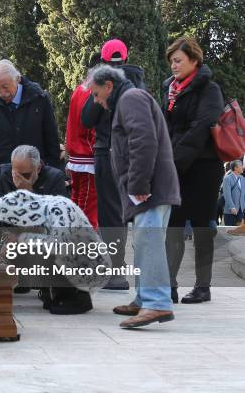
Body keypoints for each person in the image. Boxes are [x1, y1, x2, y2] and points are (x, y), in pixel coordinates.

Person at [87, 64, 181, 328]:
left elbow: (143, 140)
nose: (96, 100)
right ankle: (144, 298)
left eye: (96, 94)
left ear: (108, 86)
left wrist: (138, 184)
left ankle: (156, 303)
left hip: (149, 187)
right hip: (152, 186)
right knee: (144, 242)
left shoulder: (130, 99)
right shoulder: (130, 98)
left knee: (148, 243)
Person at [162, 37, 226, 305]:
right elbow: (164, 126)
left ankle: (203, 286)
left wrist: (174, 161)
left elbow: (201, 127)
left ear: (194, 60)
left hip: (203, 166)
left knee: (202, 227)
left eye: (178, 60)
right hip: (176, 165)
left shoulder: (209, 89)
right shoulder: (169, 89)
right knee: (173, 226)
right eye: (171, 61)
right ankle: (170, 285)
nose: (173, 65)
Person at [0, 59, 60, 239]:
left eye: (5, 87)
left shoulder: (38, 97)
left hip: (32, 171)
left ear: (17, 79)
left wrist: (52, 169)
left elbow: (51, 136)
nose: (2, 93)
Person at [81, 40, 146, 290]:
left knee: (110, 214)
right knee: (130, 212)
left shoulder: (103, 81)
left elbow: (87, 118)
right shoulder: (139, 81)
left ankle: (115, 272)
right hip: (133, 155)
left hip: (108, 153)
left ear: (103, 60)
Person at [0, 145, 67, 243]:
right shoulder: (3, 173)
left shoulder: (54, 178)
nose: (19, 180)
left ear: (38, 168)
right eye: (15, 174)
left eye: (25, 175)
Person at [66, 55, 100, 228]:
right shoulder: (92, 92)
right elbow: (93, 126)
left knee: (77, 204)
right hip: (87, 156)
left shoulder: (79, 89)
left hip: (76, 156)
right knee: (88, 211)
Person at [223, 160, 245, 225]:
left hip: (241, 210)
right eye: (241, 166)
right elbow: (227, 195)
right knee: (230, 232)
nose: (242, 167)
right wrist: (232, 207)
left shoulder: (242, 178)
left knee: (239, 233)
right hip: (230, 211)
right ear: (235, 168)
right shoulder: (227, 178)